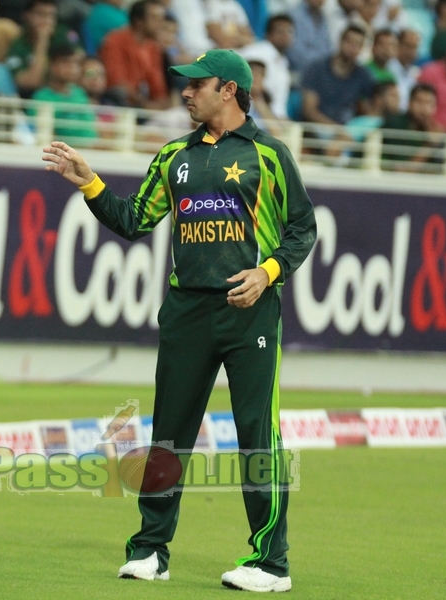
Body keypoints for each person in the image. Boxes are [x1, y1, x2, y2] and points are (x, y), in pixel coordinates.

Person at [42, 48, 316, 593]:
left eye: (198, 84)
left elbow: (302, 230)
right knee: (169, 437)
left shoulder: (270, 155)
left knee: (258, 436)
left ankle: (271, 563)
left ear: (230, 90)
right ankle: (150, 551)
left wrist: (266, 273)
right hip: (187, 312)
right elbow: (133, 219)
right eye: (184, 85)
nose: (186, 92)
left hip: (249, 312)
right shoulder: (173, 156)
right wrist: (89, 182)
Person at [99, 0, 169, 109]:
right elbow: (115, 81)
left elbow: (158, 87)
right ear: (139, 21)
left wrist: (160, 104)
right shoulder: (115, 40)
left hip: (143, 104)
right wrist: (145, 104)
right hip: (118, 103)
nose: (161, 24)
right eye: (155, 18)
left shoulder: (153, 47)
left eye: (162, 19)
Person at [5, 0, 81, 98]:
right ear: (27, 15)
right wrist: (42, 41)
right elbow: (31, 83)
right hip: (32, 98)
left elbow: (77, 70)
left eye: (51, 16)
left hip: (67, 94)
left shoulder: (63, 34)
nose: (47, 21)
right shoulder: (18, 44)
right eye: (41, 14)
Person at [301, 24, 375, 125]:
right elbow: (309, 110)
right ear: (340, 41)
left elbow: (373, 109)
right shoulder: (317, 68)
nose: (352, 48)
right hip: (318, 127)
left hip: (348, 129)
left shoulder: (363, 75)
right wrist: (336, 130)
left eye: (358, 44)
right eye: (350, 42)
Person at [33, 42, 98, 141]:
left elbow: (91, 130)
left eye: (76, 63)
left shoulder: (81, 94)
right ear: (52, 65)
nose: (73, 68)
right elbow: (43, 136)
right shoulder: (41, 97)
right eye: (66, 62)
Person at [238, 14, 294, 119]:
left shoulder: (283, 63)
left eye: (289, 31)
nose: (285, 35)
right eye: (280, 31)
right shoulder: (256, 51)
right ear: (268, 34)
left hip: (267, 116)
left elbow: (279, 108)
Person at [381, 82, 445, 170]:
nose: (424, 109)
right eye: (420, 102)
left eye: (429, 103)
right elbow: (403, 170)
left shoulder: (433, 130)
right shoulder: (396, 124)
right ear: (409, 103)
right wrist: (430, 145)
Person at [287, 0, 331, 74]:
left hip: (320, 72)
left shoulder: (323, 17)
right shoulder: (293, 15)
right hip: (297, 71)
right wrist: (319, 65)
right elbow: (294, 51)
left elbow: (327, 47)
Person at [387, 28, 421, 110]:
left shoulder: (415, 73)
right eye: (408, 46)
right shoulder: (387, 68)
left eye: (414, 47)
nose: (411, 51)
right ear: (397, 45)